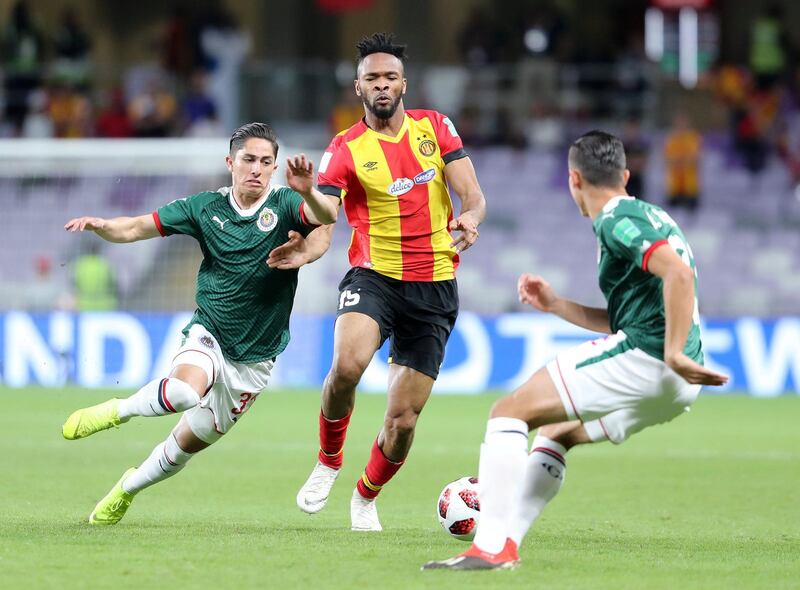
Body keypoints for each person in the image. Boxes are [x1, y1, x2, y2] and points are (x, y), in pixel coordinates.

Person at [423, 131, 728, 570]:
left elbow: (676, 275)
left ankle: (488, 547)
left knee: (508, 413)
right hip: (679, 384)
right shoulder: (653, 216)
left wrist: (673, 352)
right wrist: (556, 305)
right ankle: (505, 545)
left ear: (573, 180)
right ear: (624, 174)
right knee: (555, 433)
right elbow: (633, 313)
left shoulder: (614, 219)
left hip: (652, 359)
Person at [60, 122, 333, 524]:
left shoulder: (287, 203)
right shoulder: (204, 207)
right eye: (249, 160)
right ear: (230, 162)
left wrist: (309, 189)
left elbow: (326, 216)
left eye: (266, 162)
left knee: (181, 451)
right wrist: (103, 226)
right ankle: (118, 410)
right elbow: (135, 226)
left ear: (275, 168)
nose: (257, 169)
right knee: (186, 392)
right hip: (210, 332)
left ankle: (127, 489)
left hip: (256, 359)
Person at [293, 32, 487, 531]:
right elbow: (324, 212)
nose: (382, 85)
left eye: (390, 77)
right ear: (357, 87)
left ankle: (365, 495)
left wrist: (471, 219)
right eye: (371, 78)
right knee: (347, 365)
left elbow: (473, 197)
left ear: (404, 82)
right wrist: (306, 192)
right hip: (374, 275)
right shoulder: (345, 148)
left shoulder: (435, 128)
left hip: (435, 286)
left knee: (402, 422)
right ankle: (329, 460)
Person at [664, 112, 701, 211]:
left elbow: (694, 159)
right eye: (679, 122)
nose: (681, 125)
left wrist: (679, 160)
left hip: (690, 186)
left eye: (683, 122)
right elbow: (668, 159)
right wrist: (681, 160)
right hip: (674, 187)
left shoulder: (693, 138)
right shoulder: (671, 139)